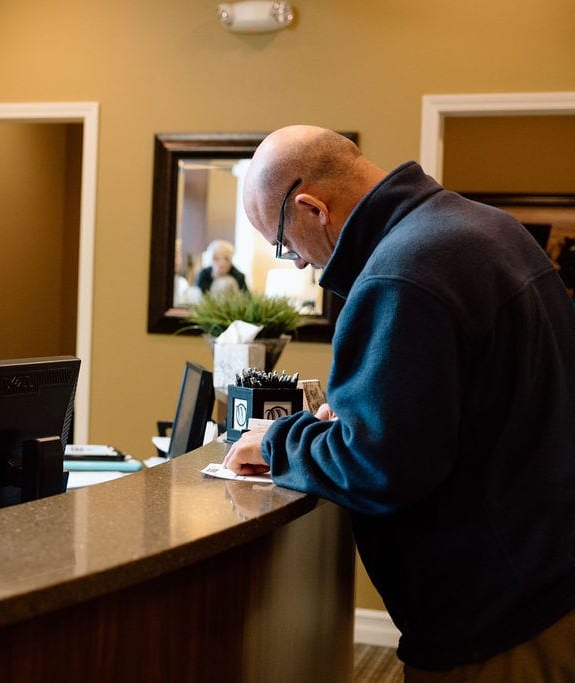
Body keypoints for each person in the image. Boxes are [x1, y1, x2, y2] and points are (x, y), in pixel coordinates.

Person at [223, 125, 575, 678]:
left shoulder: (401, 273)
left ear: (315, 208)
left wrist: (282, 440)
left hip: (495, 620)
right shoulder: (485, 227)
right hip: (548, 578)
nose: (295, 263)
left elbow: (381, 466)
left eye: (284, 244)